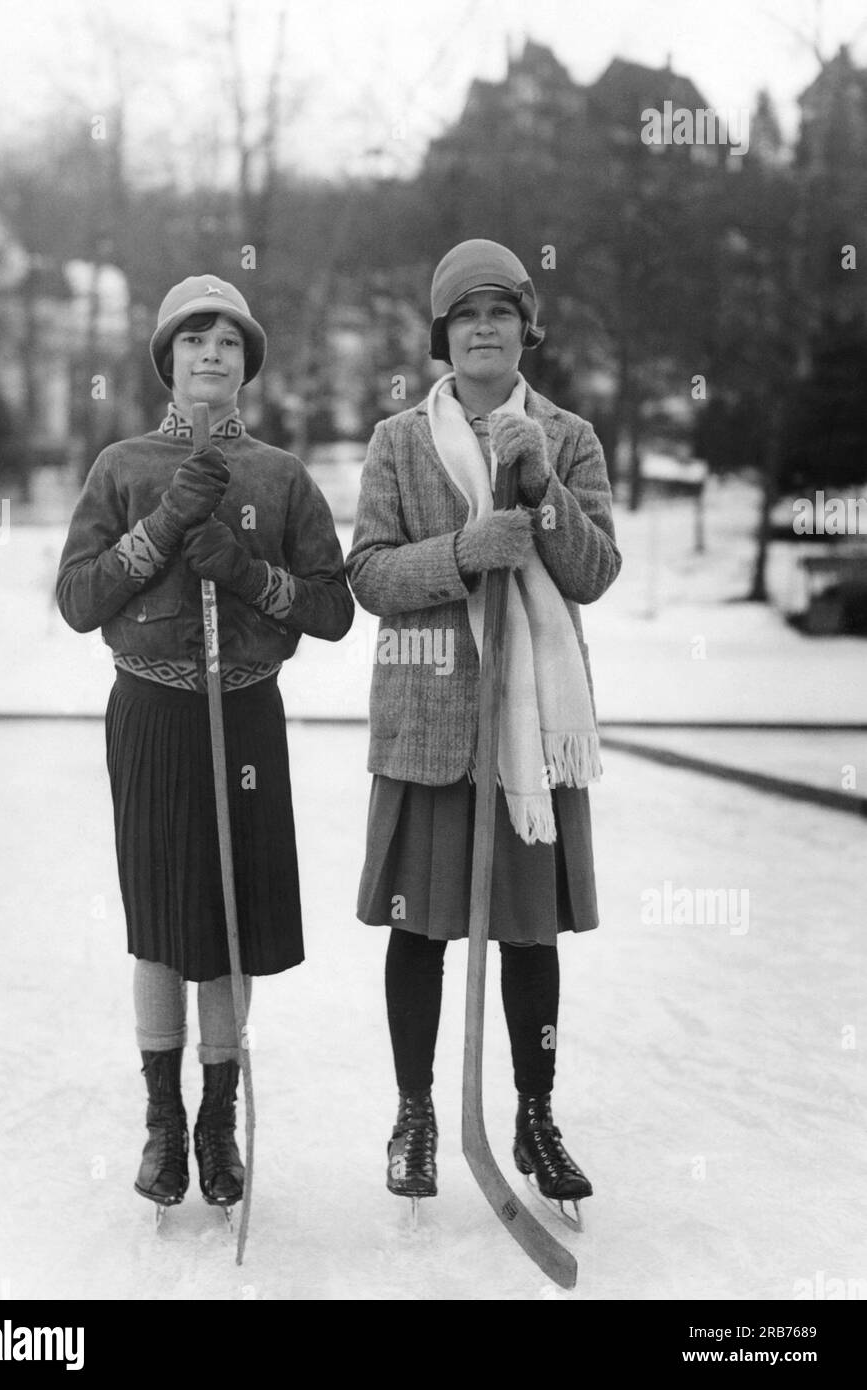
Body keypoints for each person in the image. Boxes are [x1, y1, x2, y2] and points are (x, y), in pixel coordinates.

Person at [57, 274, 353, 1214]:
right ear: (168, 359)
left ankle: (217, 1123)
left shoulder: (280, 476)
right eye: (194, 339)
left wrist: (254, 575)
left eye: (229, 340)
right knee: (160, 915)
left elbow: (336, 607)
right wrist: (164, 527)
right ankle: (161, 1123)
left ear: (247, 364)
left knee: (230, 921)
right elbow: (77, 600)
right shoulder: (123, 465)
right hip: (151, 707)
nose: (212, 354)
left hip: (247, 710)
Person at [346, 240, 621, 1212]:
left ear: (525, 327)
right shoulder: (398, 442)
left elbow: (593, 574)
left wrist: (541, 496)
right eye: (465, 316)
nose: (483, 329)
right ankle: (415, 1111)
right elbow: (370, 575)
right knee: (419, 930)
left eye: (500, 312)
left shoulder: (568, 436)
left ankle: (533, 1113)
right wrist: (465, 550)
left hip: (532, 731)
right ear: (441, 336)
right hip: (429, 721)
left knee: (528, 932)